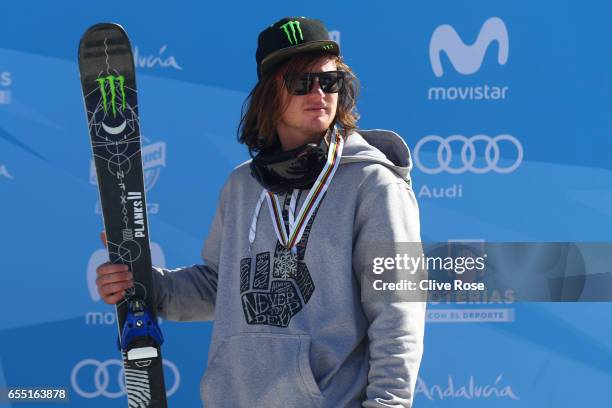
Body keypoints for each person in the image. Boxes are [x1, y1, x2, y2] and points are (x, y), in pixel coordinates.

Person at [96, 16, 425, 408]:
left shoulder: (374, 184)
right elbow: (220, 287)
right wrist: (147, 285)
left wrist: (388, 404)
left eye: (330, 81)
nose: (318, 92)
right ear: (270, 93)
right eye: (301, 82)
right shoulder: (242, 186)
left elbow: (398, 312)